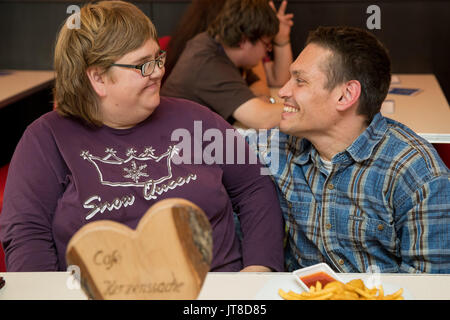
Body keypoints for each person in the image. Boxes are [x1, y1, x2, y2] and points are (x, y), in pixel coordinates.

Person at [0, 1, 284, 273]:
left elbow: (254, 188)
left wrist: (258, 271)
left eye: (158, 58)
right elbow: (27, 234)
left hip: (214, 290)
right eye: (143, 65)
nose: (159, 72)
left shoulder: (197, 119)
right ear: (97, 78)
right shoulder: (45, 139)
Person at [246, 26, 450, 273]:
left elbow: (432, 286)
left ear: (345, 96)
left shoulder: (418, 174)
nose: (283, 91)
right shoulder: (275, 148)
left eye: (300, 81)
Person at [161, 0, 294, 129]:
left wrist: (262, 99)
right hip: (172, 142)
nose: (267, 51)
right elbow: (262, 118)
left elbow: (256, 83)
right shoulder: (209, 64)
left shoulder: (214, 44)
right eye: (267, 44)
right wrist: (308, 108)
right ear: (244, 40)